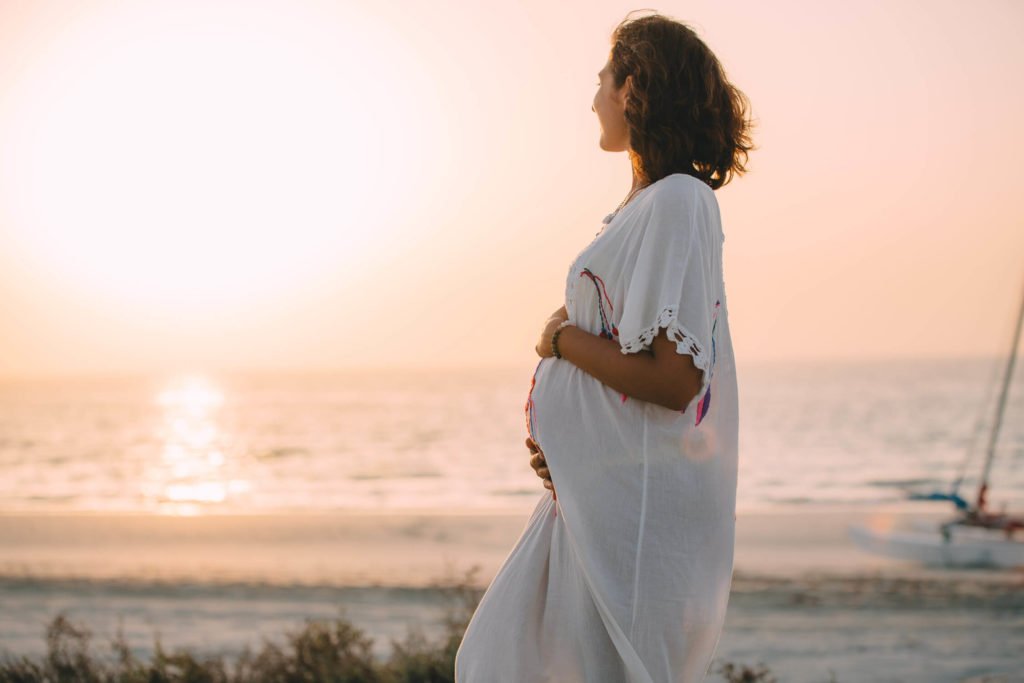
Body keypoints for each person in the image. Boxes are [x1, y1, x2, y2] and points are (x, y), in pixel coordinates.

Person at [455, 10, 753, 682]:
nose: (593, 98)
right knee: (495, 657)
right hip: (589, 498)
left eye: (603, 80)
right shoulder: (643, 208)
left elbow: (675, 381)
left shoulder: (681, 202)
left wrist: (560, 339)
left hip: (634, 515)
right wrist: (572, 445)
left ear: (634, 88)